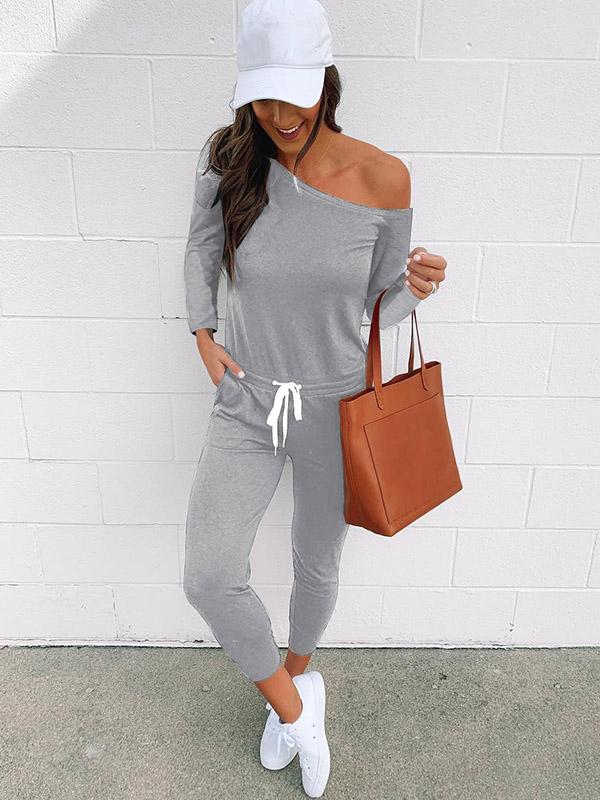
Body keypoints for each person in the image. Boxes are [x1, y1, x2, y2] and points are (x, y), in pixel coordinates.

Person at [182, 0, 447, 796]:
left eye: (293, 92)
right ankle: (297, 709)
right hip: (248, 397)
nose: (279, 113)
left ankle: (297, 675)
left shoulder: (385, 177)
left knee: (315, 562)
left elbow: (377, 308)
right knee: (209, 574)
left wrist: (414, 290)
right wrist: (203, 334)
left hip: (337, 404)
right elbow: (200, 250)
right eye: (262, 95)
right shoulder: (230, 159)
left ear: (325, 79)